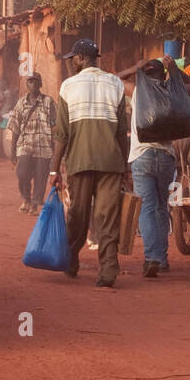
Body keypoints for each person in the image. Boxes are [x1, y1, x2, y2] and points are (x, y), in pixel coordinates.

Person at [47, 38, 129, 286]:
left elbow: (62, 134)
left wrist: (54, 169)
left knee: (78, 215)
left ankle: (71, 262)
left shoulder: (68, 86)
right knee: (107, 217)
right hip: (110, 162)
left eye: (74, 58)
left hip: (79, 161)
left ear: (81, 58)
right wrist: (124, 166)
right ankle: (108, 272)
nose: (72, 62)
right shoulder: (115, 83)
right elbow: (121, 131)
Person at [128, 60, 177, 277]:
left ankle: (152, 258)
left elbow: (117, 78)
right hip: (166, 156)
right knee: (161, 207)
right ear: (162, 75)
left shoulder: (138, 91)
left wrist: (135, 68)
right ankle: (162, 259)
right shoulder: (170, 91)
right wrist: (173, 69)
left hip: (142, 155)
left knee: (147, 207)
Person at [8, 74, 57, 214]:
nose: (33, 84)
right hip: (25, 145)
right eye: (30, 81)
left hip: (44, 147)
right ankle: (26, 199)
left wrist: (55, 147)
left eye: (36, 81)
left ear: (40, 84)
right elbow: (15, 128)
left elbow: (56, 125)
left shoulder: (49, 102)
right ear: (26, 85)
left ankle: (35, 204)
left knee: (41, 177)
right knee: (22, 173)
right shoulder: (21, 103)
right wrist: (13, 151)